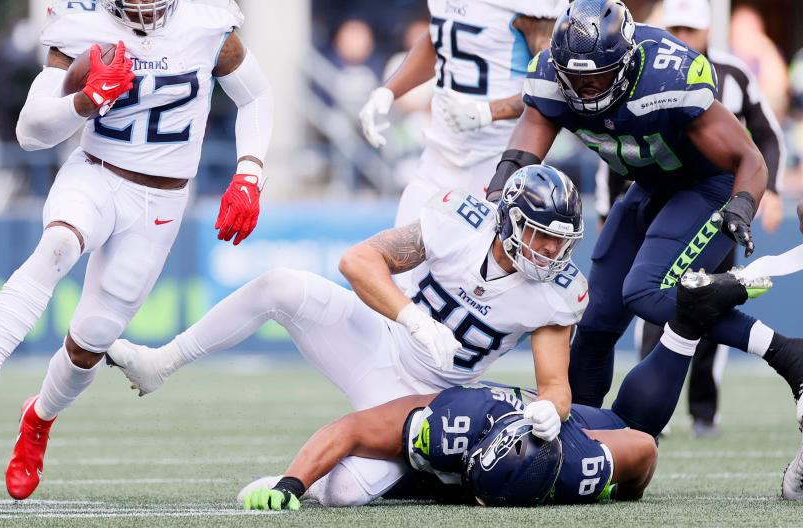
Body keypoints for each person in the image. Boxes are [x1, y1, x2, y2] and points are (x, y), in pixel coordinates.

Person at [0, 0, 274, 502]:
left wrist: (250, 172)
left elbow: (257, 95)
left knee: (92, 338)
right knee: (58, 244)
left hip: (163, 198)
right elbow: (30, 132)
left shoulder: (208, 20)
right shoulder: (80, 26)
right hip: (97, 174)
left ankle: (38, 419)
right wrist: (85, 100)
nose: (149, 0)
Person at [109, 163, 586, 505]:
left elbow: (555, 386)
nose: (549, 250)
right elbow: (357, 261)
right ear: (508, 221)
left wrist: (549, 411)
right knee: (281, 285)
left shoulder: (555, 293)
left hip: (431, 398)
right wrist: (415, 320)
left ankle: (301, 479)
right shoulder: (462, 222)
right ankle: (161, 363)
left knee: (343, 493)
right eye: (539, 233)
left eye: (561, 241)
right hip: (378, 340)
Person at [484, 0, 803, 421]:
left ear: (627, 61)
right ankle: (577, 433)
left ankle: (787, 354)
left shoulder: (667, 75)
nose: (585, 88)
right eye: (574, 79)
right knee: (593, 319)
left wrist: (741, 207)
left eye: (598, 76)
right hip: (649, 187)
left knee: (646, 293)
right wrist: (492, 199)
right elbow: (520, 157)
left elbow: (749, 157)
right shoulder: (551, 80)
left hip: (708, 185)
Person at [238, 269, 775, 510]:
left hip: (558, 434)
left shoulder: (557, 464)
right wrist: (615, 492)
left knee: (625, 421)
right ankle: (685, 327)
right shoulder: (459, 423)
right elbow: (643, 451)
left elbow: (640, 448)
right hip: (526, 424)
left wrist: (295, 483)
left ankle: (683, 328)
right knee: (636, 424)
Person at [600, 0, 787, 437]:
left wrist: (770, 190)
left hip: (717, 200)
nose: (682, 36)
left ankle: (704, 411)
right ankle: (652, 411)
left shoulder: (733, 74)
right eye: (675, 29)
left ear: (706, 30)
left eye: (689, 29)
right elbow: (615, 145)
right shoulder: (639, 72)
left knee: (700, 296)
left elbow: (766, 136)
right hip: (662, 198)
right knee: (652, 300)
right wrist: (609, 208)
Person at [358, 0, 568, 234]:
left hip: (497, 158)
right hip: (438, 153)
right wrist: (387, 92)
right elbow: (440, 39)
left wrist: (489, 110)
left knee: (468, 275)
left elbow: (557, 86)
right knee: (400, 269)